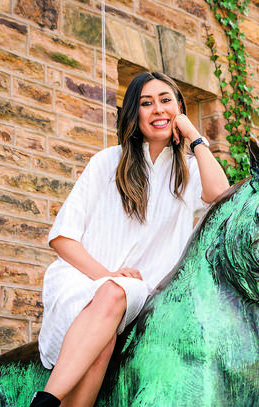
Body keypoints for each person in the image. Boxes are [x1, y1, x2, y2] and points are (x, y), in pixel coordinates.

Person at [30, 72, 230, 407]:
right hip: (81, 281)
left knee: (117, 294)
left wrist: (195, 136)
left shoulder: (189, 171)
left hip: (140, 292)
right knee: (104, 331)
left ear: (179, 108)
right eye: (146, 103)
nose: (157, 110)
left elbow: (220, 194)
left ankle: (44, 402)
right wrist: (107, 274)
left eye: (166, 100)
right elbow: (62, 239)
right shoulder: (109, 161)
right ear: (134, 114)